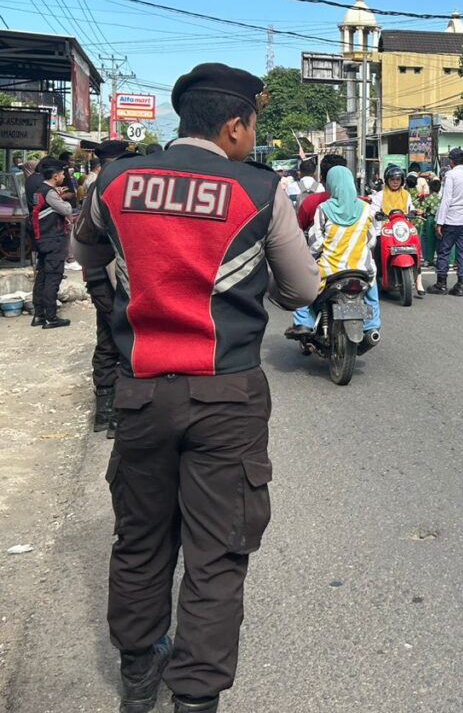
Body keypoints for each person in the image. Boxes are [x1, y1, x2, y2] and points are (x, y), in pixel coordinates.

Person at [71, 62, 319, 713]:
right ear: (235, 125)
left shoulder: (116, 179)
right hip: (226, 397)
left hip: (142, 391)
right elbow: (302, 291)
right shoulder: (261, 190)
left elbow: (87, 249)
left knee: (141, 536)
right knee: (216, 551)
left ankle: (136, 674)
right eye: (252, 124)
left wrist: (118, 290)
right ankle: (196, 697)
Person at [81, 138, 132, 433]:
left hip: (99, 276)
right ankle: (115, 415)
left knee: (107, 338)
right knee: (123, 339)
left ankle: (105, 412)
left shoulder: (96, 187)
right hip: (111, 276)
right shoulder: (111, 189)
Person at [306, 165, 382, 336]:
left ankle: (303, 322)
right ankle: (372, 325)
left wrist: (309, 258)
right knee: (372, 288)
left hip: (330, 269)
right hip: (361, 269)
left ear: (331, 184)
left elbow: (316, 243)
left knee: (304, 287)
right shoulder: (365, 208)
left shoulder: (324, 209)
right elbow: (371, 241)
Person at [29, 157, 73, 329]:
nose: (63, 176)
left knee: (42, 277)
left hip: (42, 239)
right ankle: (51, 317)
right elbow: (67, 209)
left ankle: (38, 315)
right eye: (62, 174)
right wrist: (62, 198)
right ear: (55, 176)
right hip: (53, 239)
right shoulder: (50, 192)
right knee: (53, 277)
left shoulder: (38, 190)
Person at [371, 165, 426, 297]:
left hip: (402, 230)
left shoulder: (406, 195)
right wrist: (376, 214)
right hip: (384, 230)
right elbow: (373, 210)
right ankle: (378, 278)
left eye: (398, 179)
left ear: (402, 180)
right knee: (377, 250)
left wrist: (415, 211)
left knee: (417, 246)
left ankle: (419, 279)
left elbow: (410, 207)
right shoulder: (380, 195)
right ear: (387, 180)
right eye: (392, 179)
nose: (395, 182)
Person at [429, 147, 463, 296]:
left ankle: (441, 283)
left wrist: (439, 222)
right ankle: (461, 285)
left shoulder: (450, 175)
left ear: (451, 161)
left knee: (444, 251)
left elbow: (446, 199)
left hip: (452, 219)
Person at [420, 179, 442, 267]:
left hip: (430, 218)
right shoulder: (441, 198)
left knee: (429, 240)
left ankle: (429, 259)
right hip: (439, 220)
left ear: (430, 188)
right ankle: (440, 258)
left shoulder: (428, 198)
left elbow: (424, 210)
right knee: (439, 239)